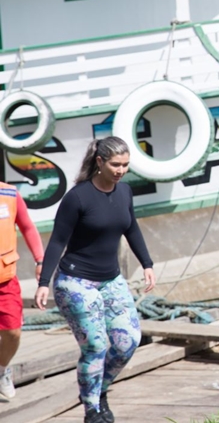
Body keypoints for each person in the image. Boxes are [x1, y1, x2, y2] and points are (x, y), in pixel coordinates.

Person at [35, 137, 156, 423]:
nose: (121, 170)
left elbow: (132, 228)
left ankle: (98, 390)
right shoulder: (77, 197)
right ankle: (92, 411)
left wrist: (147, 263)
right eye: (115, 164)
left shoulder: (125, 192)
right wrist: (43, 281)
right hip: (75, 282)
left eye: (126, 165)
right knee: (96, 346)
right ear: (100, 162)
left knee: (128, 341)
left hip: (111, 279)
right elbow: (57, 242)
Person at [0, 182, 45, 400]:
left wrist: (40, 260)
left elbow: (27, 226)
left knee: (13, 332)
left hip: (5, 279)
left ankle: (1, 370)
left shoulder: (8, 193)